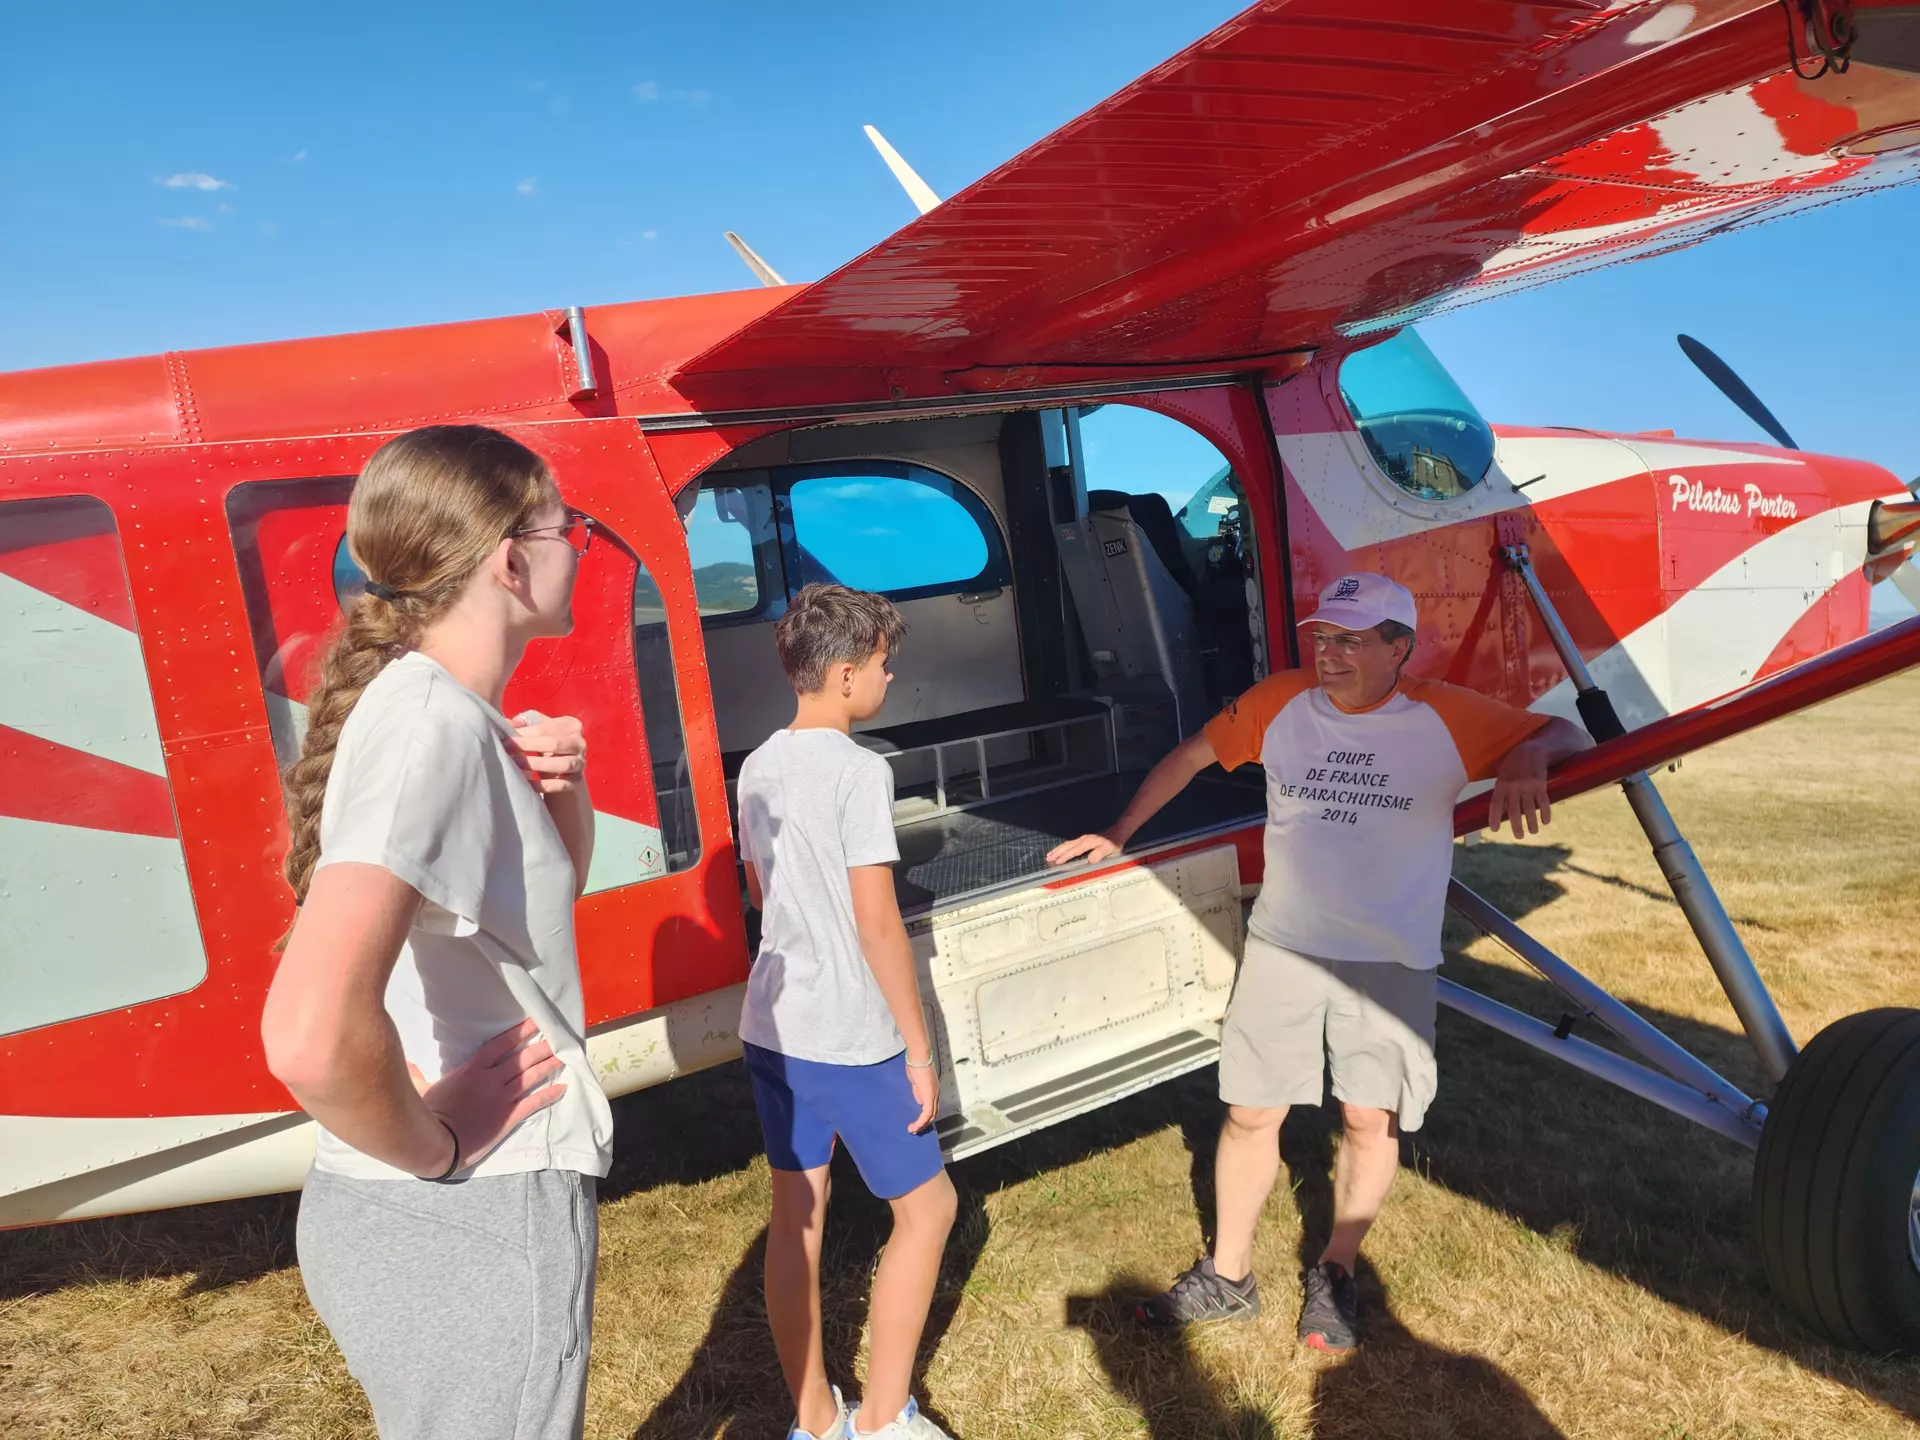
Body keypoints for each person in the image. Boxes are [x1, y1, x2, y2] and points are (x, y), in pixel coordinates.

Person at [1048, 571, 1592, 1352]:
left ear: (1399, 647)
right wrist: (1120, 833)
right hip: (1283, 945)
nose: (1328, 655)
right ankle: (1228, 1276)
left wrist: (1528, 755)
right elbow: (1192, 756)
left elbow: (1567, 733)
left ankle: (1334, 1272)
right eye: (1322, 638)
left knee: (1370, 1118)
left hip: (1389, 954)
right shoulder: (1280, 702)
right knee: (1248, 1111)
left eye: (1351, 641)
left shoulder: (1444, 716)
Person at [261, 425, 609, 1440]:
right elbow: (309, 1038)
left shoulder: (432, 708)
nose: (576, 546)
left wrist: (565, 797)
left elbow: (530, 922)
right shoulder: (432, 731)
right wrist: (438, 1144)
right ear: (509, 558)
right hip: (472, 1215)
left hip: (422, 1216)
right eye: (567, 528)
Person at [735, 583, 959, 1440]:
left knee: (798, 1218)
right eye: (879, 664)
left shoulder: (758, 764)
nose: (889, 677)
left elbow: (764, 896)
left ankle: (814, 1417)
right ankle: (883, 1418)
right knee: (928, 1211)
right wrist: (918, 1046)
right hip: (849, 1038)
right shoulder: (863, 772)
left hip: (774, 1026)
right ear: (840, 675)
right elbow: (877, 922)